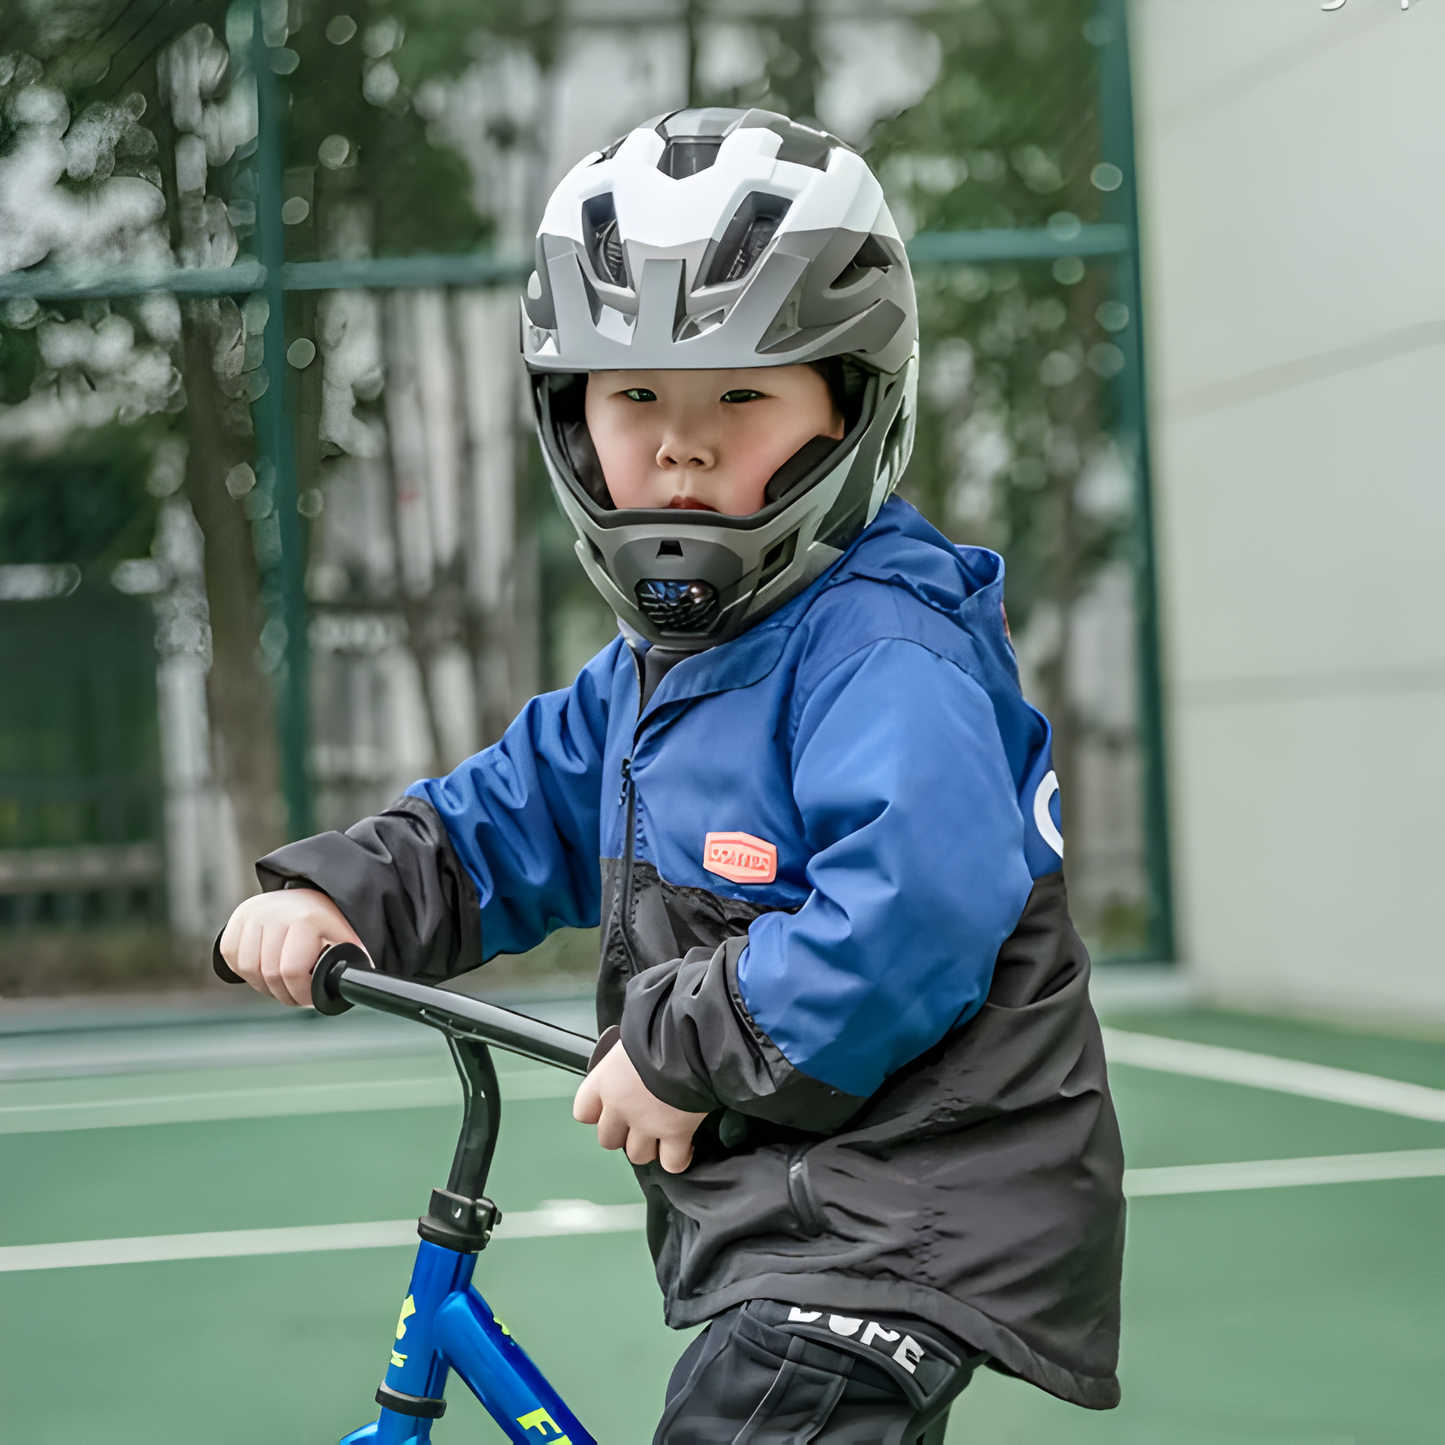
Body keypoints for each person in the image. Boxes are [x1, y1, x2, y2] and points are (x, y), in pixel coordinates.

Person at [219, 108, 1125, 1444]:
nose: (681, 446)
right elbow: (505, 814)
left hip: (902, 1220)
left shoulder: (884, 650)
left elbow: (913, 912)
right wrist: (351, 892)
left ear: (854, 407)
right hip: (808, 1221)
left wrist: (683, 1049)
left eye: (740, 398)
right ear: (570, 418)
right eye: (636, 395)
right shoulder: (659, 670)